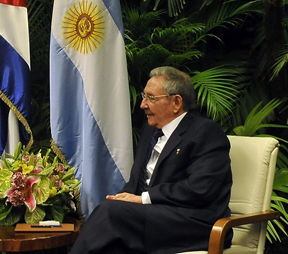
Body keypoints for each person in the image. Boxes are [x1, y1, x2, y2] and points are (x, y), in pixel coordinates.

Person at [69, 66, 233, 254]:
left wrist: (143, 199)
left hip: (195, 223)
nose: (143, 105)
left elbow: (200, 189)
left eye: (151, 98)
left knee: (110, 213)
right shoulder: (150, 130)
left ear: (176, 102)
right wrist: (123, 199)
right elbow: (136, 183)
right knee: (111, 243)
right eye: (144, 96)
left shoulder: (206, 133)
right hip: (152, 218)